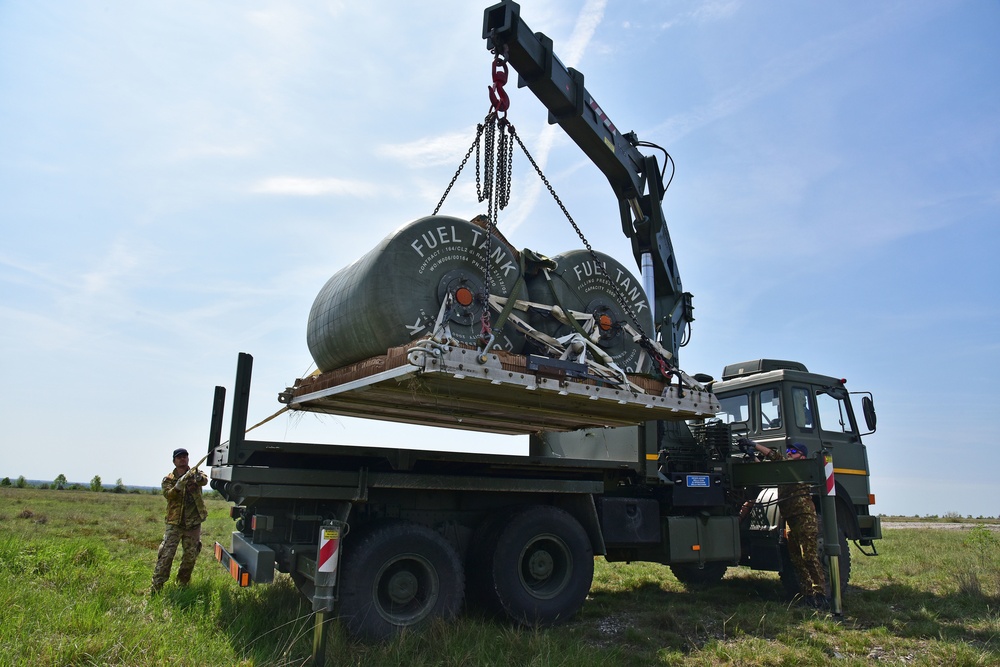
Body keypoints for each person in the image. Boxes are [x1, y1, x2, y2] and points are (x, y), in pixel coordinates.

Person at [739, 438, 826, 607]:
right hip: (790, 519)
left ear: (802, 456)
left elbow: (774, 457)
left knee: (809, 556)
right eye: (788, 451)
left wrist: (754, 444)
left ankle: (820, 593)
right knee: (796, 559)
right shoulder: (785, 470)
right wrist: (752, 457)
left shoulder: (800, 468)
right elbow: (768, 470)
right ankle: (808, 595)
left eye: (793, 452)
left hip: (804, 518)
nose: (789, 453)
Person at [150, 448, 208, 594]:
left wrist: (196, 478)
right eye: (179, 457)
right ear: (174, 461)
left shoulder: (196, 474)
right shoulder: (168, 479)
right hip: (174, 524)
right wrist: (178, 486)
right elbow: (168, 495)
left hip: (193, 524)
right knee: (166, 555)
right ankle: (156, 587)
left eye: (185, 457)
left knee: (190, 556)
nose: (182, 459)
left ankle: (182, 586)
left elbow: (204, 480)